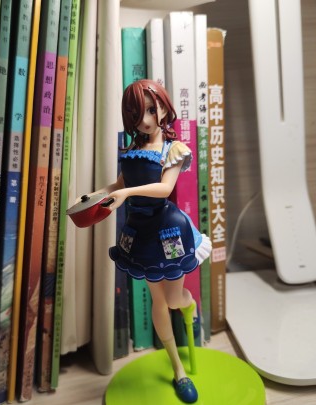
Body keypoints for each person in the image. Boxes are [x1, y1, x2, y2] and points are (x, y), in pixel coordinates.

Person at [83, 79, 211, 403]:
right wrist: (93, 197)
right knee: (158, 301)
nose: (146, 119)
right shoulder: (132, 150)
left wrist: (126, 193)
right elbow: (117, 185)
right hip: (139, 231)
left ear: (164, 107)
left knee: (174, 299)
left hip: (167, 230)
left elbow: (165, 189)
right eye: (137, 113)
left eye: (152, 110)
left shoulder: (174, 149)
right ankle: (178, 370)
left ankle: (190, 306)